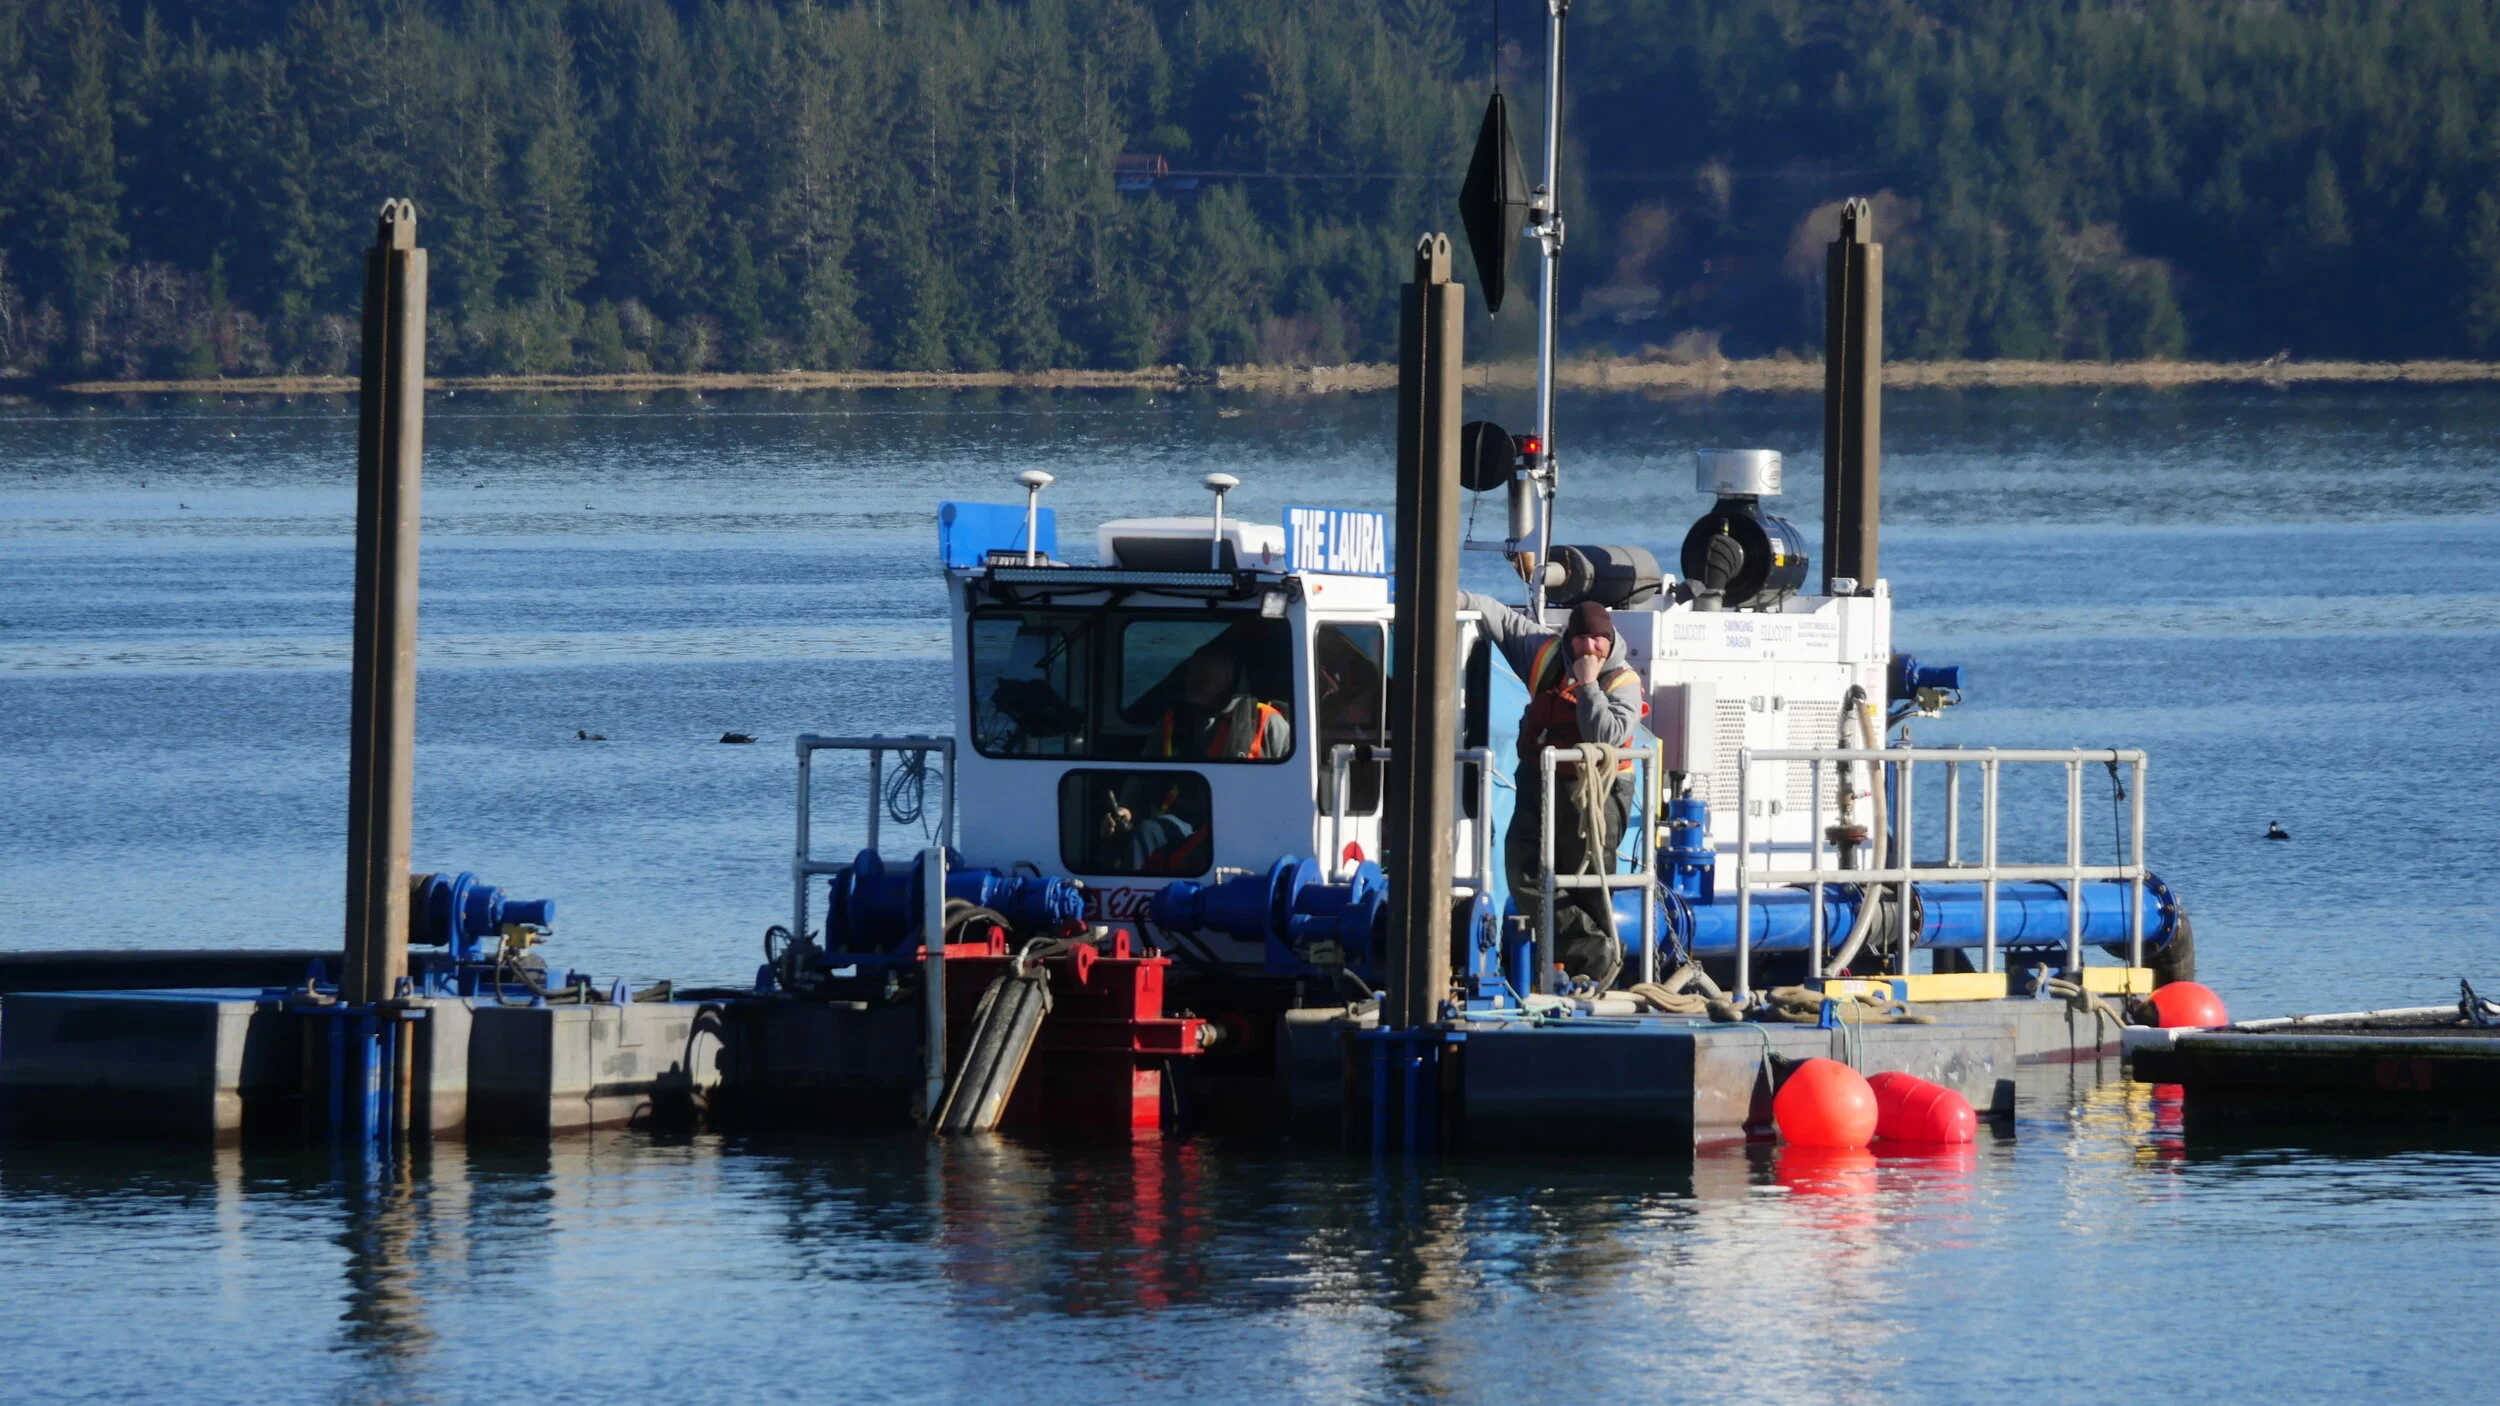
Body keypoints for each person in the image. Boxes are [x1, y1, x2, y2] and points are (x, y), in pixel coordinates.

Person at [1459, 591, 1647, 984]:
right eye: (1582, 639)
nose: (1590, 647)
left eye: (1599, 639)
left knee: (1590, 885)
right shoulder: (1544, 654)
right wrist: (1454, 597)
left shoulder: (1623, 681)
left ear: (1611, 639)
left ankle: (1594, 972)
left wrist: (1588, 684)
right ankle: (1595, 953)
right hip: (1538, 781)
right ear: (1569, 640)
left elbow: (1605, 735)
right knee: (1523, 871)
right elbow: (1501, 618)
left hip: (1596, 793)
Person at [1156, 646, 1291, 759]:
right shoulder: (1172, 720)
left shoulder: (1265, 719)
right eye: (1190, 672)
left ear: (1227, 680)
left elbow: (1292, 774)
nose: (1192, 680)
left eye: (1203, 675)